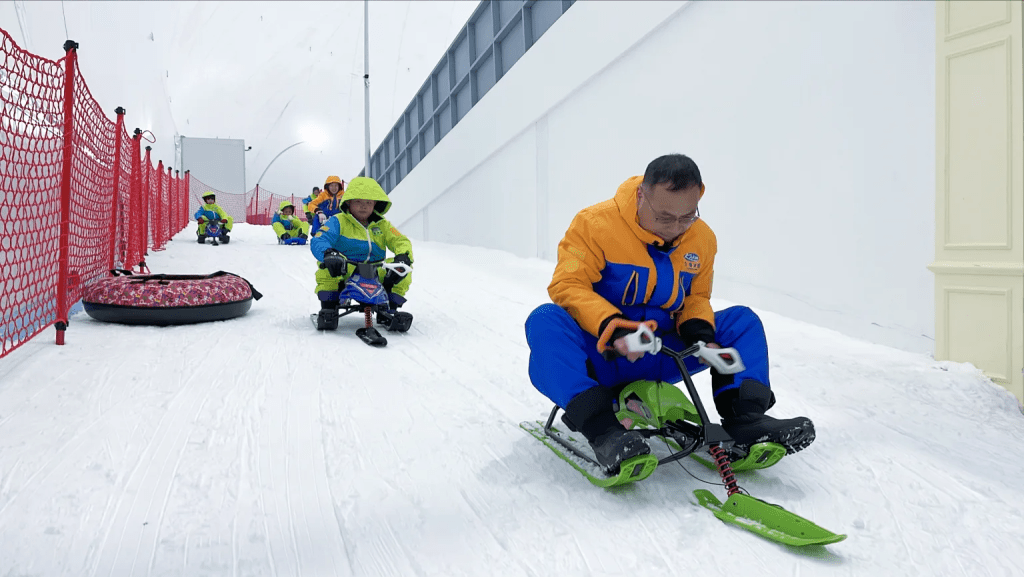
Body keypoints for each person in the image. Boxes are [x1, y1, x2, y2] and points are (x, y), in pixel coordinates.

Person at [524, 154, 814, 472]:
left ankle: (747, 420)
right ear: (640, 196)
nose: (676, 228)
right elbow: (569, 284)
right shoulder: (595, 224)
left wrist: (699, 331)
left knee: (742, 322)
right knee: (544, 320)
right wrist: (613, 325)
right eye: (664, 217)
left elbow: (697, 297)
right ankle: (605, 432)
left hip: (662, 353)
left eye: (686, 216)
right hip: (601, 355)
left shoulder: (701, 238)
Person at [310, 176, 413, 332]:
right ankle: (329, 306)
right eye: (358, 202)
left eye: (368, 203)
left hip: (375, 271)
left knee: (402, 268)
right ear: (349, 202)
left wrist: (403, 256)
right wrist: (329, 253)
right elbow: (320, 239)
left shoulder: (382, 224)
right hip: (346, 269)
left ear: (375, 205)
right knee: (326, 269)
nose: (363, 207)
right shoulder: (338, 221)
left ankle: (390, 308)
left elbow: (400, 241)